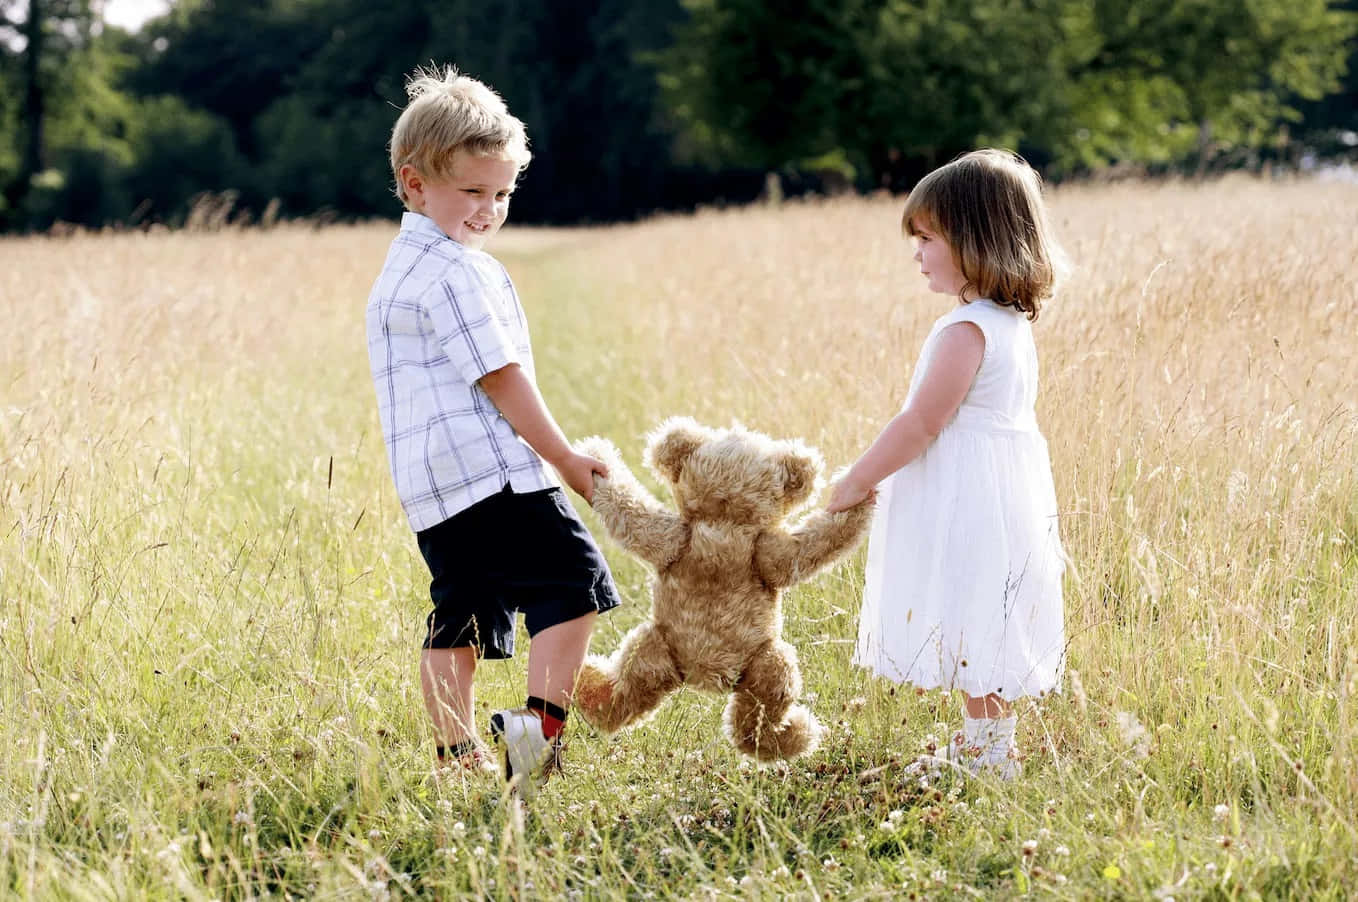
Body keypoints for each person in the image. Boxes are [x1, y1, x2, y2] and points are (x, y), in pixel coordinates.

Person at [365, 65, 620, 797]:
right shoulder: (457, 273)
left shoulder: (399, 269)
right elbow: (501, 377)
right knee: (572, 588)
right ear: (415, 185)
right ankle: (533, 749)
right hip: (493, 473)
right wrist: (565, 456)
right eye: (471, 191)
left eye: (502, 193)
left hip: (433, 485)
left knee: (461, 615)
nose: (489, 209)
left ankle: (456, 758)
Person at [827, 149, 1067, 780]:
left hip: (969, 503)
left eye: (927, 238)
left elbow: (921, 423)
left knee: (972, 615)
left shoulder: (966, 330)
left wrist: (857, 479)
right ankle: (990, 741)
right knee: (988, 616)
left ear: (973, 240)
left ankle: (989, 755)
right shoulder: (1010, 324)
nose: (917, 253)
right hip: (1002, 494)